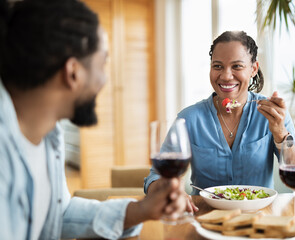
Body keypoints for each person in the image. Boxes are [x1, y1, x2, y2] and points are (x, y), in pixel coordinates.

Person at [0, 0, 187, 239]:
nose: (105, 80)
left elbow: (60, 214)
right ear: (73, 73)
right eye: (103, 63)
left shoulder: (48, 135)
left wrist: (140, 209)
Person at [145, 31, 295, 210]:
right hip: (204, 215)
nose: (225, 76)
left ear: (253, 69)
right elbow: (155, 178)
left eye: (237, 66)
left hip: (260, 219)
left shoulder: (275, 115)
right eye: (218, 66)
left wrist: (280, 133)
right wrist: (170, 192)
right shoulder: (188, 119)